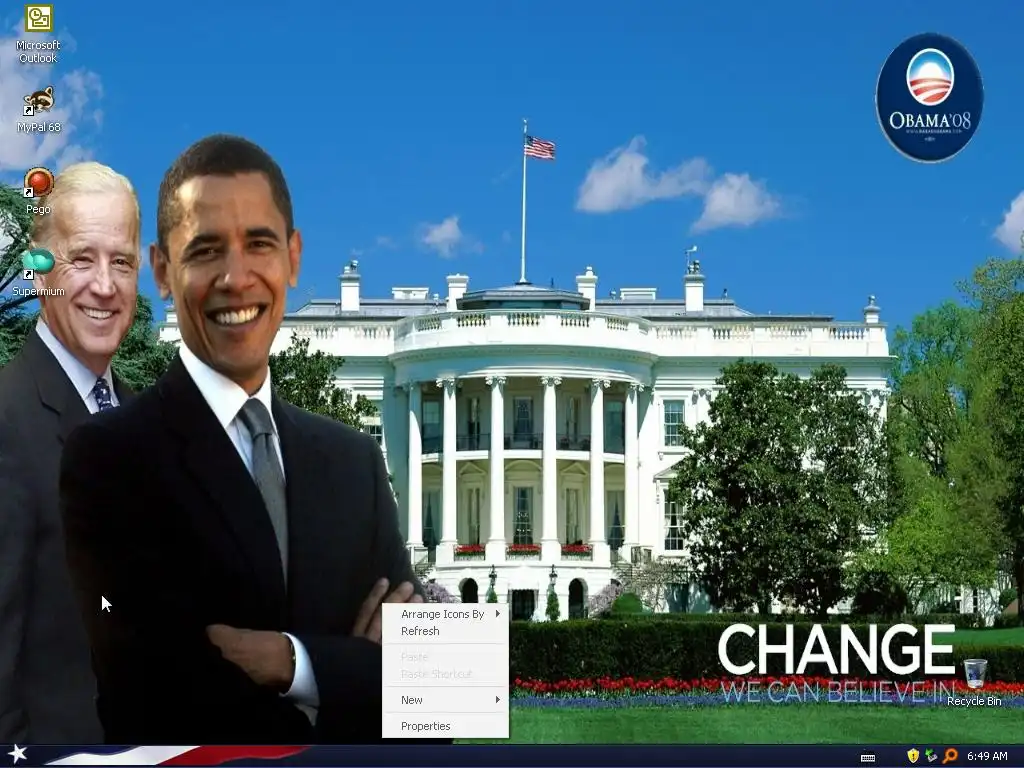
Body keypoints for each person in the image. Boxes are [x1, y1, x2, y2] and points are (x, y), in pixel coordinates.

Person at [60, 135, 429, 744]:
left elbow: (437, 699)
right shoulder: (110, 456)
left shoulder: (353, 461)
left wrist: (288, 663)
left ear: (293, 258)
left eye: (259, 244)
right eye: (206, 251)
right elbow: (151, 695)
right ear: (162, 271)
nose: (236, 278)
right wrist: (362, 668)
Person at [0, 162, 140, 743]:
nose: (105, 286)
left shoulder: (147, 424)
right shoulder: (6, 421)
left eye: (122, 262)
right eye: (82, 259)